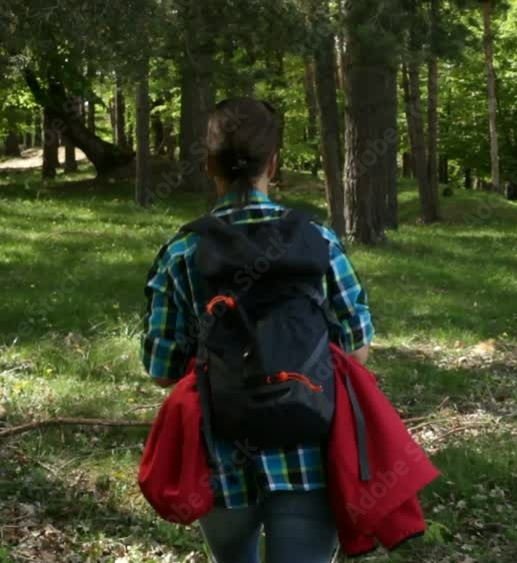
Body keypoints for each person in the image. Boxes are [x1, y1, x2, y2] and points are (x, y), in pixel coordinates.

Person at [141, 97, 374, 563]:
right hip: (310, 456)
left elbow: (162, 370)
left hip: (220, 461)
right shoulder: (318, 241)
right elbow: (356, 349)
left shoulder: (182, 251)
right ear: (273, 163)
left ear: (209, 165)